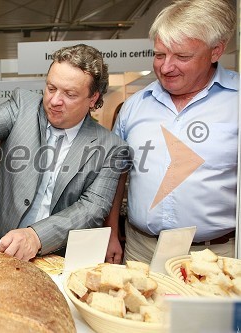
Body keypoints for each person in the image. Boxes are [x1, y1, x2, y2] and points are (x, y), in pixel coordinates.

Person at [0, 44, 129, 261]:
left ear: (93, 98)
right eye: (51, 88)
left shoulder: (111, 148)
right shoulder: (23, 107)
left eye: (69, 94)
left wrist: (36, 236)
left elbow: (91, 209)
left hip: (56, 257)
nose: (55, 101)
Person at [110, 0, 238, 264]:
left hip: (215, 256)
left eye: (182, 56)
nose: (166, 67)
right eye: (159, 55)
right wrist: (112, 233)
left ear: (216, 51)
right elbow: (115, 176)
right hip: (141, 250)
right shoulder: (134, 106)